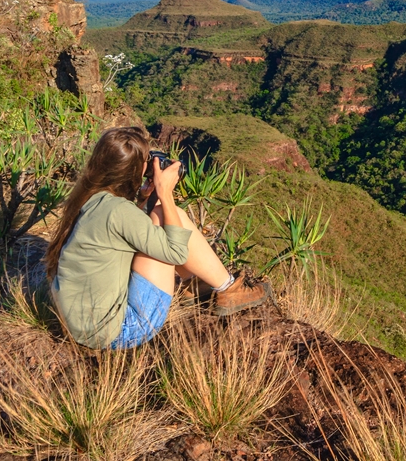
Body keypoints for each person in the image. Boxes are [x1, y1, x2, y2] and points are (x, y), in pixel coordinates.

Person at [44, 126, 270, 349]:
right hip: (121, 330)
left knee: (160, 216)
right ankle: (229, 290)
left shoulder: (93, 199)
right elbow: (176, 252)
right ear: (138, 169)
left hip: (79, 324)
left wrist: (144, 198)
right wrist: (165, 194)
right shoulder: (119, 211)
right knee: (166, 216)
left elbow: (128, 230)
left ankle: (197, 286)